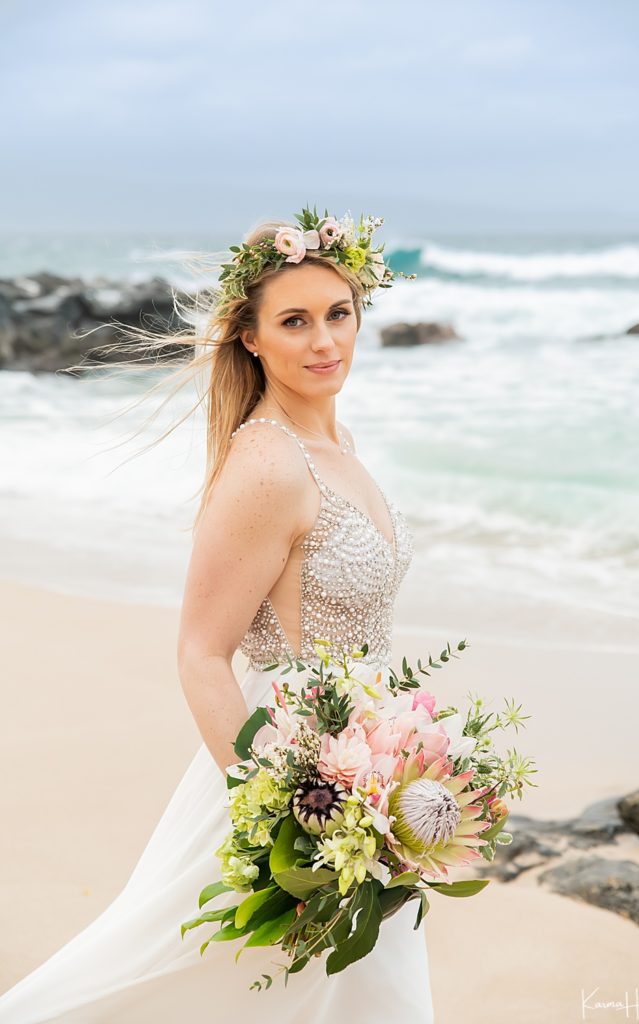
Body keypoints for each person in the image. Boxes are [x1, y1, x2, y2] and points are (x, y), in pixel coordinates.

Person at [0, 206, 434, 1023]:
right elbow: (201, 653)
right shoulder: (269, 461)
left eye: (337, 315)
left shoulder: (339, 441)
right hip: (298, 776)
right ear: (251, 337)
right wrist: (279, 806)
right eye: (294, 322)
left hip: (372, 771)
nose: (323, 342)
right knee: (195, 977)